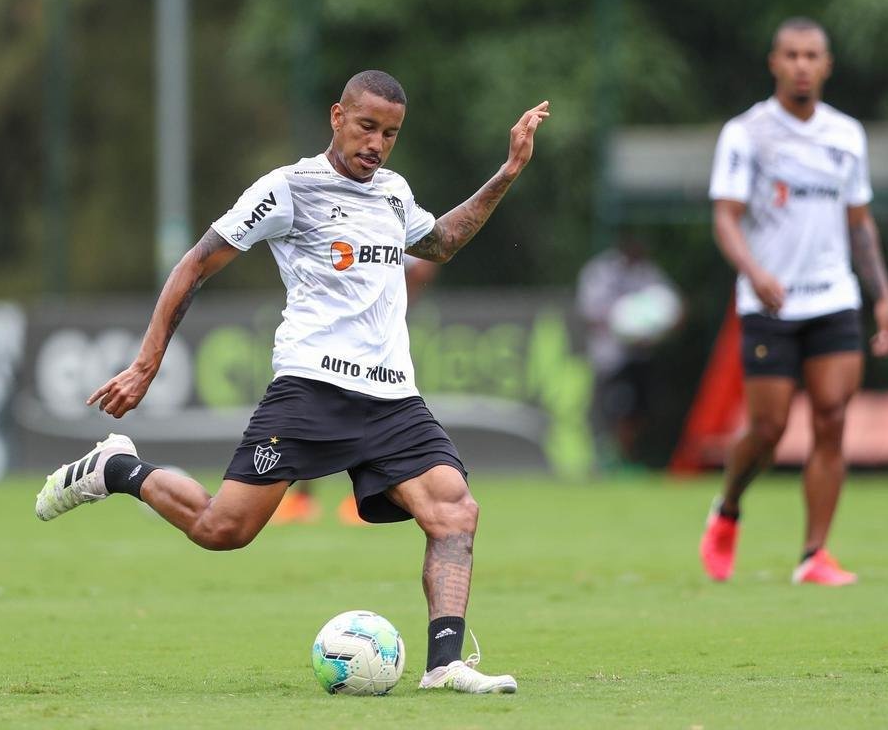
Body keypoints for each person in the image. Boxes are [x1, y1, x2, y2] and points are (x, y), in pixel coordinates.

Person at [35, 70, 549, 693]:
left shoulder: (393, 193)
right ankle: (119, 470)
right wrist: (147, 364)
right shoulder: (289, 188)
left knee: (454, 511)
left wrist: (509, 170)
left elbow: (439, 242)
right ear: (337, 116)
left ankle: (444, 665)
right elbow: (197, 263)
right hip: (311, 390)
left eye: (389, 134)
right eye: (366, 127)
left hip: (391, 398)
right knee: (223, 531)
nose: (376, 144)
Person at [699, 18, 888, 586]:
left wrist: (881, 295)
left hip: (834, 297)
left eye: (812, 55)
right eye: (792, 55)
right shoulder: (747, 133)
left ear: (827, 65)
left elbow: (860, 224)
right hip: (770, 302)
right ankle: (728, 509)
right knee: (768, 428)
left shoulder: (846, 135)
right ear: (775, 63)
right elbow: (725, 216)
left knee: (833, 419)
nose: (802, 65)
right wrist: (755, 270)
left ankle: (814, 555)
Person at [271, 256, 439, 526]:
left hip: (376, 345)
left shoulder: (388, 217)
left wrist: (395, 305)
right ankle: (303, 499)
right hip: (336, 339)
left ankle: (360, 495)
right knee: (318, 416)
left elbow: (423, 264)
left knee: (368, 415)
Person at [576, 235, 681, 469]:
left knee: (639, 413)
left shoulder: (649, 273)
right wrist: (623, 326)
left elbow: (672, 308)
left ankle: (625, 458)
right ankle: (613, 461)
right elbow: (590, 313)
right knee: (617, 410)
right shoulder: (600, 272)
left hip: (641, 358)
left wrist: (656, 329)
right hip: (611, 358)